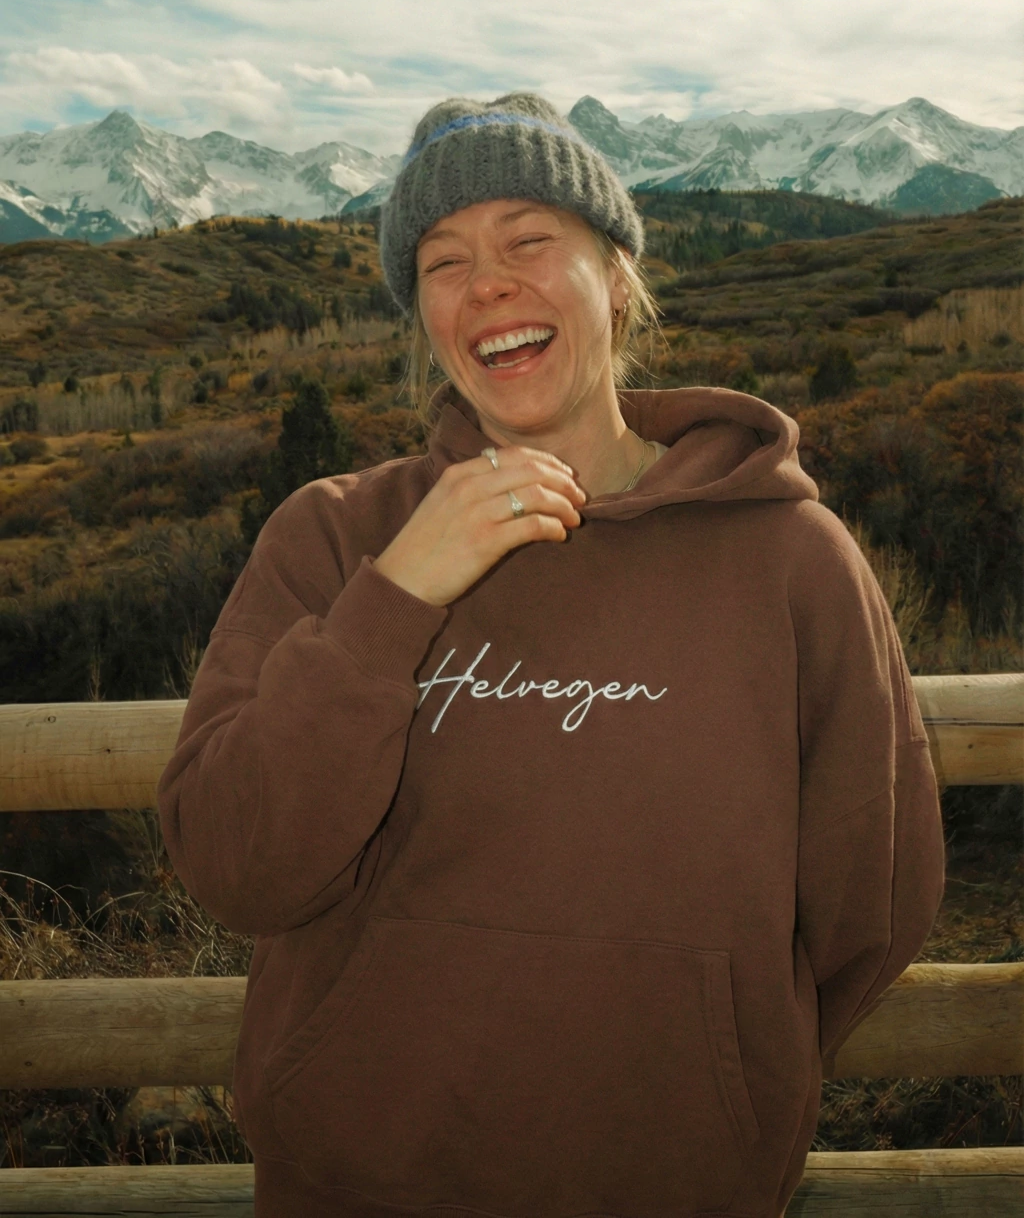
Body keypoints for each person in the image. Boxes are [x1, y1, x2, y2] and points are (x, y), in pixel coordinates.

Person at [156, 92, 945, 1218]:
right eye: (444, 261)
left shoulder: (790, 557)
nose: (486, 285)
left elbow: (874, 894)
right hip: (358, 1182)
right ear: (423, 315)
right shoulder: (333, 536)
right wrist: (394, 597)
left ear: (616, 276)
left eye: (528, 240)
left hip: (676, 1187)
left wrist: (719, 1072)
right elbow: (234, 862)